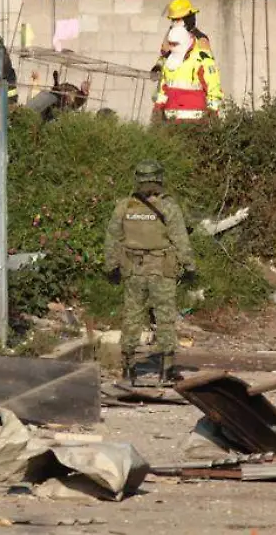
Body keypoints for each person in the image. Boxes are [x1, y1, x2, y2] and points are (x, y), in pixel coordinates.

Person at [103, 160, 196, 384]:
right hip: (162, 269)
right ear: (159, 178)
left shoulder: (125, 206)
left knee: (132, 316)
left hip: (133, 269)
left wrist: (110, 267)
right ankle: (167, 370)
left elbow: (112, 238)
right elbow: (180, 239)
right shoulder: (168, 207)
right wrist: (190, 266)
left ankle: (128, 369)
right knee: (165, 317)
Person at [154, 23, 223, 122]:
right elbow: (163, 90)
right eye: (171, 43)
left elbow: (214, 89)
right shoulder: (168, 62)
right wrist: (157, 110)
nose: (172, 47)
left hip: (196, 124)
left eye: (175, 44)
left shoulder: (201, 60)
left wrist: (212, 114)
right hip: (171, 123)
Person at [152, 0, 213, 76]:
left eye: (176, 20)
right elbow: (165, 54)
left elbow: (208, 67)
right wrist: (159, 65)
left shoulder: (201, 40)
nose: (174, 23)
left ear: (187, 20)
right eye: (173, 20)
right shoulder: (171, 34)